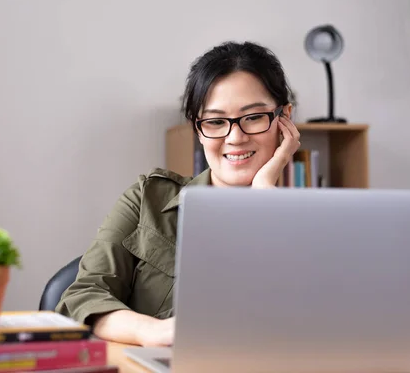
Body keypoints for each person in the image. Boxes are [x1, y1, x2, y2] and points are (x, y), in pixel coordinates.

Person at [55, 41, 301, 347]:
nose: (235, 137)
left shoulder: (313, 225)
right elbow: (81, 297)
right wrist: (153, 332)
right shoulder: (149, 199)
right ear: (198, 129)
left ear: (285, 118)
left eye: (253, 117)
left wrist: (265, 200)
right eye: (215, 121)